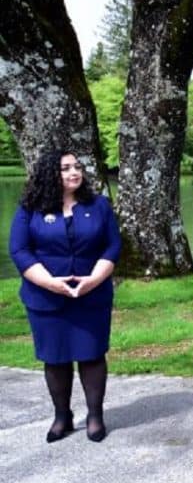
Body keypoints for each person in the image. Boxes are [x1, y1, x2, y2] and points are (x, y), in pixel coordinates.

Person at [9, 150, 121, 443]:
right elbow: (19, 251)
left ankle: (95, 416)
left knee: (92, 355)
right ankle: (62, 416)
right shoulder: (29, 208)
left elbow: (112, 246)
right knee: (55, 358)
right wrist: (50, 283)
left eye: (77, 167)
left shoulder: (98, 206)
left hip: (91, 295)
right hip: (46, 297)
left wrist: (95, 279)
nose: (74, 172)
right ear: (49, 173)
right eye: (65, 168)